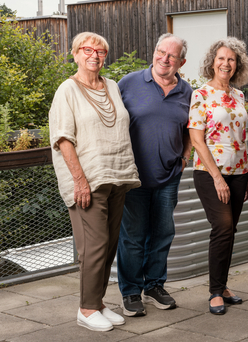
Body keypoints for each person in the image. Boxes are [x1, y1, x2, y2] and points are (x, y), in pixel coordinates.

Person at [49, 32, 140, 332]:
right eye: (87, 50)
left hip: (117, 175)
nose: (94, 55)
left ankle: (98, 302)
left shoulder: (112, 86)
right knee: (94, 246)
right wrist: (80, 181)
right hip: (88, 180)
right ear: (75, 54)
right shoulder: (67, 90)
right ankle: (86, 309)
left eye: (100, 51)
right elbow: (63, 138)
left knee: (109, 244)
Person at [116, 33, 193, 317]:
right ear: (154, 52)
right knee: (133, 237)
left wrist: (185, 156)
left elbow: (190, 130)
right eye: (161, 52)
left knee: (162, 234)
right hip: (133, 176)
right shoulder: (128, 83)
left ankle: (155, 285)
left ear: (181, 61)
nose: (165, 59)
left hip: (168, 176)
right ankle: (131, 291)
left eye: (172, 55)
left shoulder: (187, 92)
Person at [189, 37, 248, 315]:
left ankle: (223, 285)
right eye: (221, 58)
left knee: (230, 230)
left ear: (237, 65)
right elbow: (196, 139)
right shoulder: (200, 95)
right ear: (212, 63)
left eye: (231, 59)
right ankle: (215, 291)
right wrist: (217, 177)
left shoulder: (239, 96)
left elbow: (242, 137)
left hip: (239, 173)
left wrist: (246, 176)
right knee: (223, 227)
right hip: (209, 172)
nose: (226, 63)